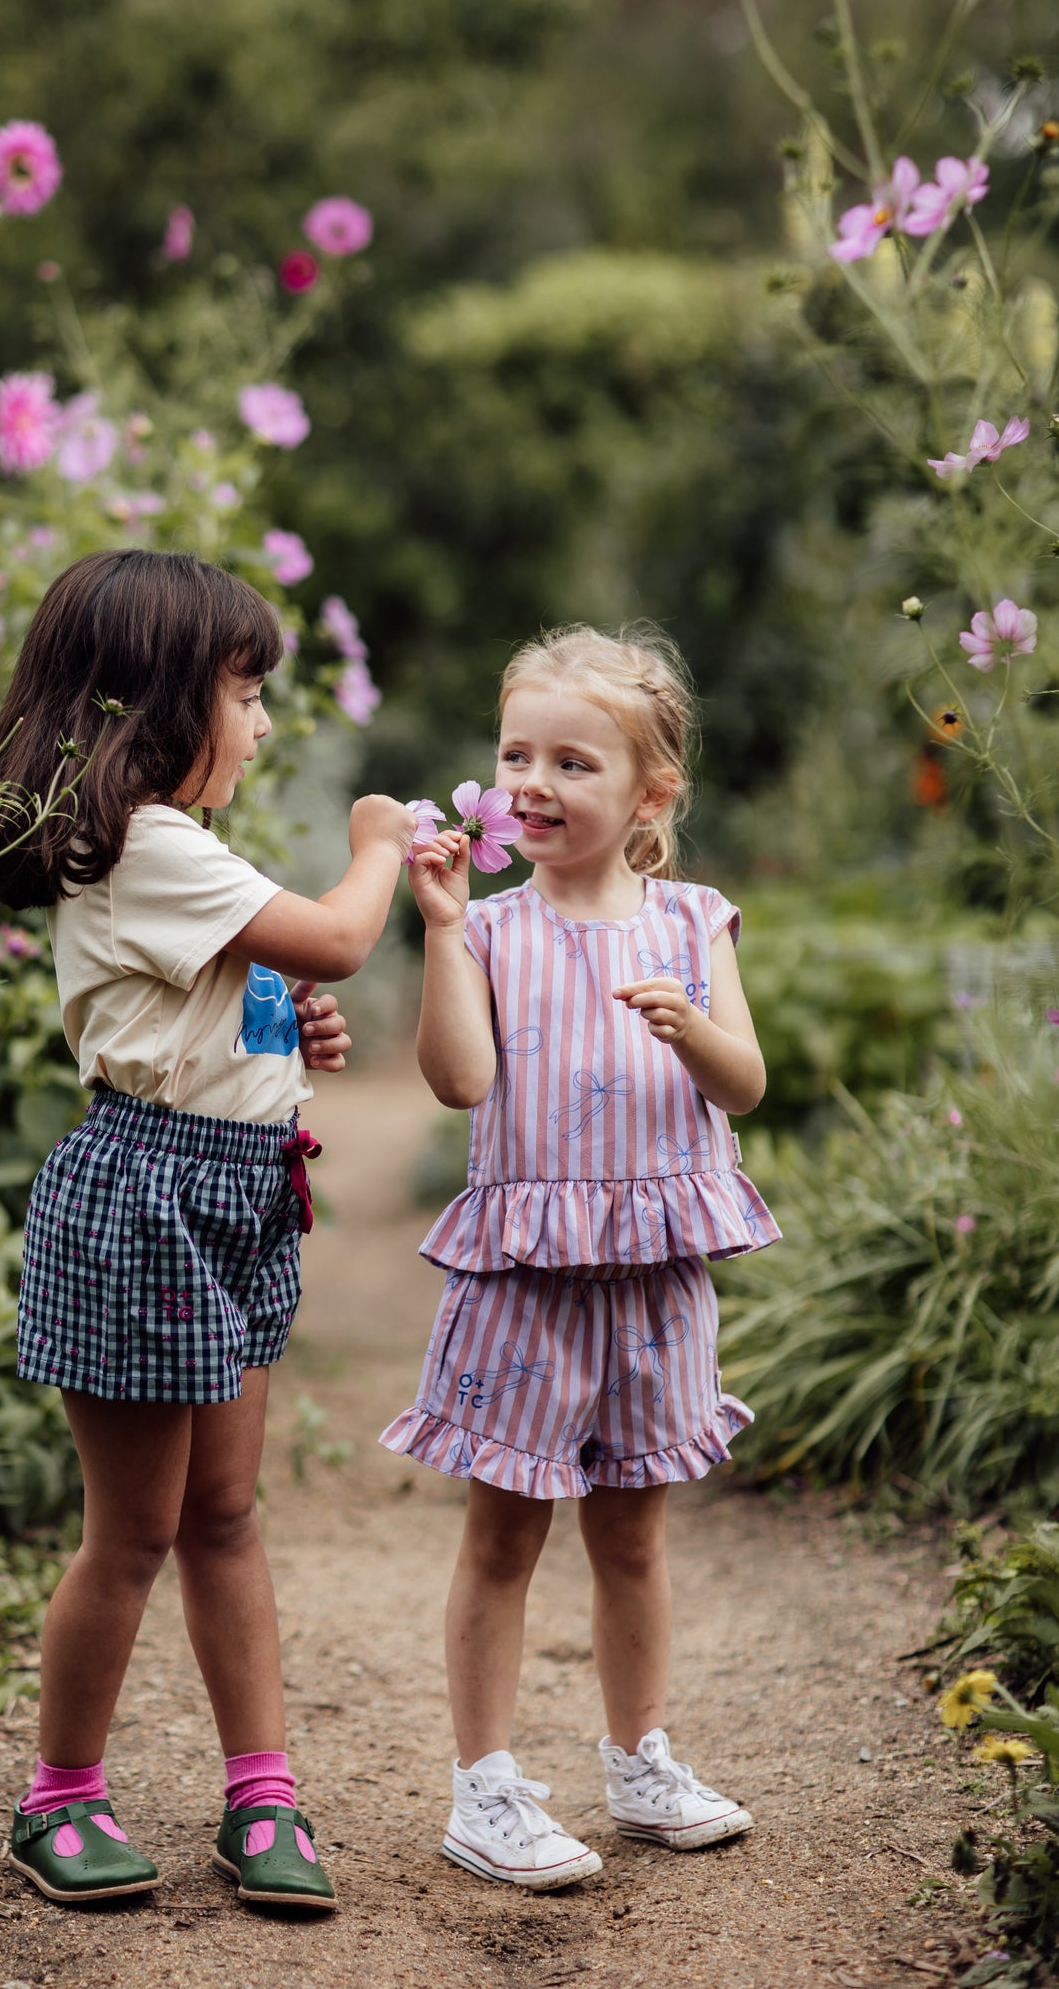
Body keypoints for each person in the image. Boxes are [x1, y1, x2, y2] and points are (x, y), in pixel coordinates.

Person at [0, 549, 415, 1913]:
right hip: (150, 1196)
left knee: (225, 1513)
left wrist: (286, 1031)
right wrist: (375, 851)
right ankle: (61, 1799)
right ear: (157, 703)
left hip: (240, 1186)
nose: (263, 725)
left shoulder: (178, 850)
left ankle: (261, 1792)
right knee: (136, 1530)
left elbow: (256, 986)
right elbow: (329, 937)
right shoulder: (148, 842)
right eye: (245, 695)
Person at [381, 623, 780, 1888]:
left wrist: (690, 1031)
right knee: (503, 1537)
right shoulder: (491, 929)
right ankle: (482, 1787)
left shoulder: (691, 920)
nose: (533, 782)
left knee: (632, 1537)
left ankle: (636, 1757)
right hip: (526, 1275)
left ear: (649, 792)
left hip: (657, 1270)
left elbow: (748, 1081)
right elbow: (458, 1081)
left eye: (572, 760)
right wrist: (440, 926)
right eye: (515, 755)